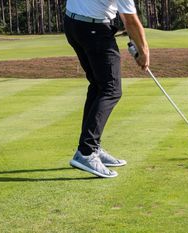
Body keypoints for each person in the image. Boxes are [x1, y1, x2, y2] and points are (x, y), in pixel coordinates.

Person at [64, 0, 150, 178]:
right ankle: (87, 152)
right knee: (111, 89)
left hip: (73, 24)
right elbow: (130, 20)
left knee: (98, 85)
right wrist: (144, 51)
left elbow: (126, 20)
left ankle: (91, 146)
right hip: (93, 29)